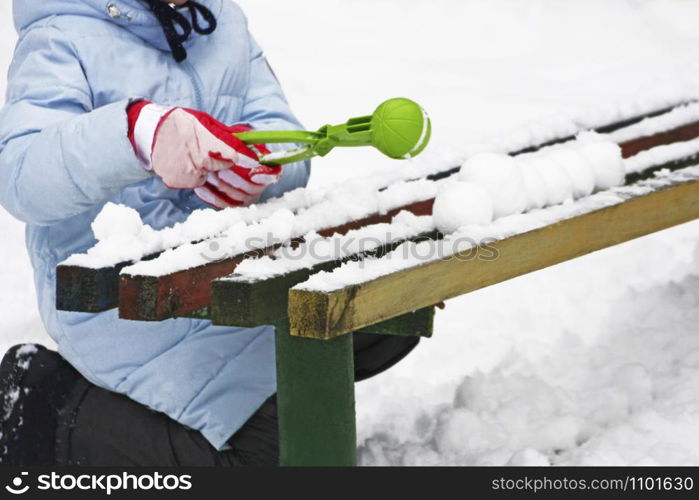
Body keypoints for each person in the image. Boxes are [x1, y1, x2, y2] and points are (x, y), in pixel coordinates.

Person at [0, 0, 419, 465]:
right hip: (118, 297)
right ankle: (46, 404)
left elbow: (282, 131)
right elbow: (20, 177)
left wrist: (263, 165)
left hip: (226, 262)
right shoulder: (61, 38)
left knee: (385, 320)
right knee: (281, 453)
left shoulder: (223, 22)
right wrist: (136, 133)